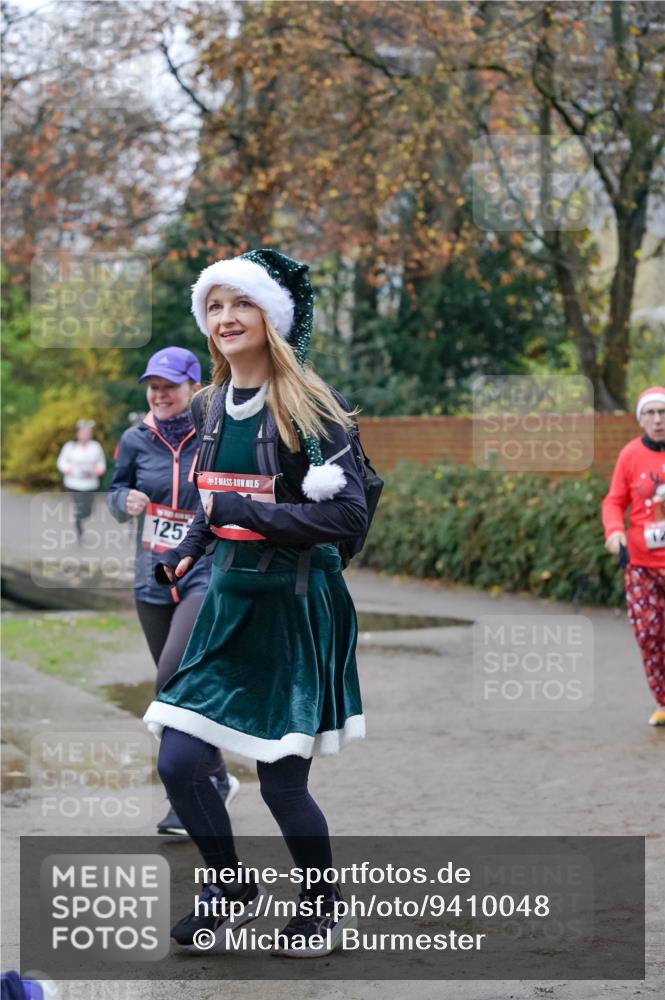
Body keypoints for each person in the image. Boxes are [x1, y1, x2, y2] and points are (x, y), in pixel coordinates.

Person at [142, 249, 368, 957]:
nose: (226, 317)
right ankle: (232, 887)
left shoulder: (312, 406)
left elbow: (347, 519)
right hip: (228, 602)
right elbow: (217, 500)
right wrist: (189, 545)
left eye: (240, 303)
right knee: (179, 760)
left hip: (294, 611)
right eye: (214, 306)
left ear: (269, 315)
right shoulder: (208, 407)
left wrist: (251, 513)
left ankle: (323, 908)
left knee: (280, 783)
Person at [107, 347, 239, 835]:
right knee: (175, 684)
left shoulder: (216, 434)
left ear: (193, 386)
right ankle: (217, 777)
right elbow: (115, 494)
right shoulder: (135, 439)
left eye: (169, 386)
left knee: (171, 679)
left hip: (204, 569)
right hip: (153, 575)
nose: (159, 394)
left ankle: (186, 794)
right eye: (153, 386)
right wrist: (126, 499)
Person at [602, 385, 665, 726]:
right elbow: (614, 501)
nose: (658, 420)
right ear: (640, 420)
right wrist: (614, 532)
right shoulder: (630, 455)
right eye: (651, 414)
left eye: (663, 413)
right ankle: (664, 701)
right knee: (649, 634)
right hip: (640, 563)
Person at [56, 419, 106, 542]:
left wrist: (98, 470)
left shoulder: (96, 447)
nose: (85, 435)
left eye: (88, 432)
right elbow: (61, 462)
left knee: (88, 510)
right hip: (74, 483)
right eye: (83, 432)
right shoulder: (70, 446)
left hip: (91, 484)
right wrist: (68, 470)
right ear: (78, 434)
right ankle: (79, 530)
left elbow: (101, 463)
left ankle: (79, 518)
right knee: (79, 507)